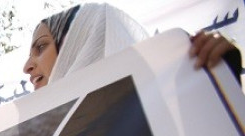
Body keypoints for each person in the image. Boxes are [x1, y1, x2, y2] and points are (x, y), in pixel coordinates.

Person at [23, 3, 242, 91]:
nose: (26, 67)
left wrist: (221, 77)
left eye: (40, 47)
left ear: (81, 44)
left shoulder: (163, 93)